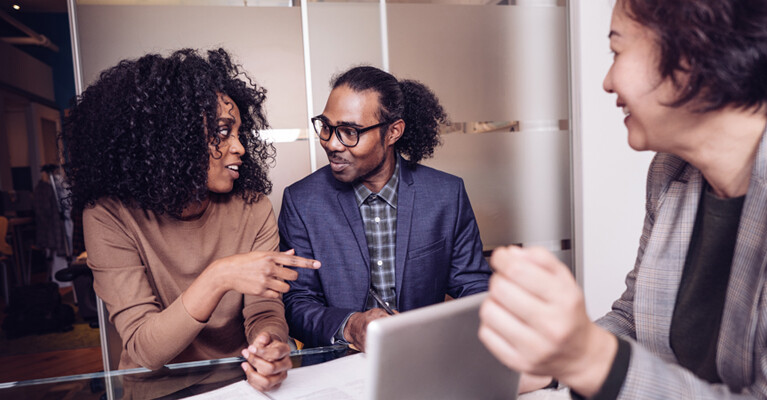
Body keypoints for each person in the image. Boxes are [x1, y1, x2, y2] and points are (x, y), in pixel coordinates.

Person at [478, 0, 767, 398]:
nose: (607, 82)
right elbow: (635, 319)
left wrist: (587, 358)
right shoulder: (671, 173)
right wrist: (548, 367)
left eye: (617, 51)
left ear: (690, 56)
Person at [61, 49, 320, 392]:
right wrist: (219, 275)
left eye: (240, 133)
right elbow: (144, 348)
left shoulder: (252, 207)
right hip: (159, 389)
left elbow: (263, 310)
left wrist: (269, 345)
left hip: (241, 382)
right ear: (172, 136)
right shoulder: (109, 216)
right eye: (223, 131)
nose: (240, 147)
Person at [279, 66, 491, 351]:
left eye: (349, 132)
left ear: (393, 132)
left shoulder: (445, 195)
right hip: (337, 372)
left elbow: (475, 289)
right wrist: (351, 326)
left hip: (424, 360)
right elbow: (295, 304)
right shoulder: (302, 201)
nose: (331, 143)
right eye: (327, 127)